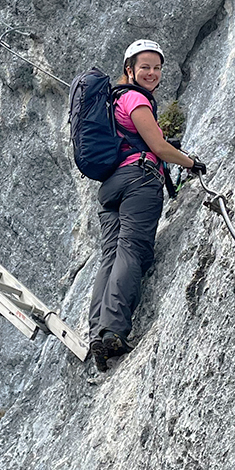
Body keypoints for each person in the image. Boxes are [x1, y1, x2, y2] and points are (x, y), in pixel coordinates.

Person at [87, 39, 207, 370]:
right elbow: (159, 146)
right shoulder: (136, 99)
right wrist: (190, 162)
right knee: (131, 251)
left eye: (157, 68)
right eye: (145, 67)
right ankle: (113, 330)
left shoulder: (109, 103)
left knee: (108, 258)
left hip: (110, 188)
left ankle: (97, 332)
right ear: (130, 70)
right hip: (139, 180)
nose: (152, 73)